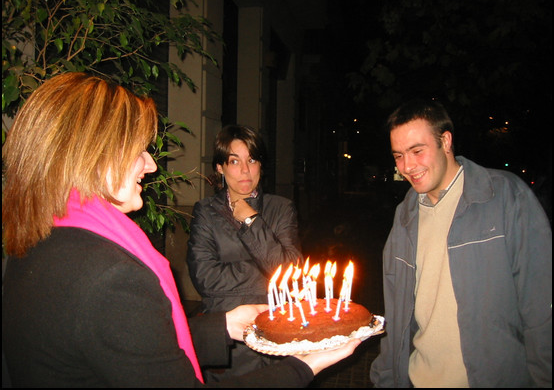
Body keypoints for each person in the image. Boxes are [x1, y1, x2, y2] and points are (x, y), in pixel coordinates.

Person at [1, 72, 361, 388]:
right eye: (138, 149)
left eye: (252, 160)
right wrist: (303, 367)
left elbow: (128, 345)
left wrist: (224, 325)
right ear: (90, 154)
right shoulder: (111, 275)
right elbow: (205, 277)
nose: (151, 164)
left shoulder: (39, 243)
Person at [370, 99, 552, 388]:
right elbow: (397, 315)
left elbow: (542, 309)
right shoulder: (405, 217)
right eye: (399, 155)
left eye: (417, 151)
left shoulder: (505, 197)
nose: (407, 166)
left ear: (446, 141)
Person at [186, 124, 304, 381]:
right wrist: (266, 271)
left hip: (277, 337)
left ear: (260, 164)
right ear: (220, 167)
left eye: (251, 160)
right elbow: (205, 278)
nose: (245, 170)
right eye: (234, 161)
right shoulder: (206, 212)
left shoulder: (281, 208)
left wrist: (252, 222)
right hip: (230, 344)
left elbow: (292, 271)